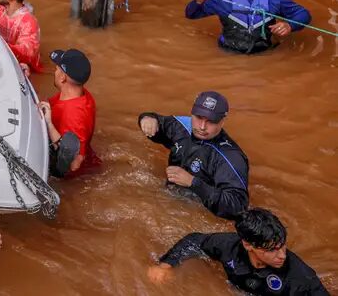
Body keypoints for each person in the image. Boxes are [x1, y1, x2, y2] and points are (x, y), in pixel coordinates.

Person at [148, 207, 329, 294]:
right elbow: (194, 240)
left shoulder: (302, 279)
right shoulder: (228, 246)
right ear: (248, 245)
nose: (282, 255)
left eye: (283, 245)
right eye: (272, 250)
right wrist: (165, 265)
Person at [138, 91, 250, 219]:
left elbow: (238, 207)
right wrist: (147, 119)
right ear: (192, 113)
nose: (202, 127)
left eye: (211, 121)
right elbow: (158, 123)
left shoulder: (230, 157)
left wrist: (193, 183)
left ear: (223, 121)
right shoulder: (184, 126)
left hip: (198, 213)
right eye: (198, 117)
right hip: (168, 197)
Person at [39, 49, 100, 178]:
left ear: (63, 77)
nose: (54, 73)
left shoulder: (74, 115)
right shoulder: (80, 93)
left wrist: (49, 124)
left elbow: (74, 164)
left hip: (71, 178)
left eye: (56, 69)